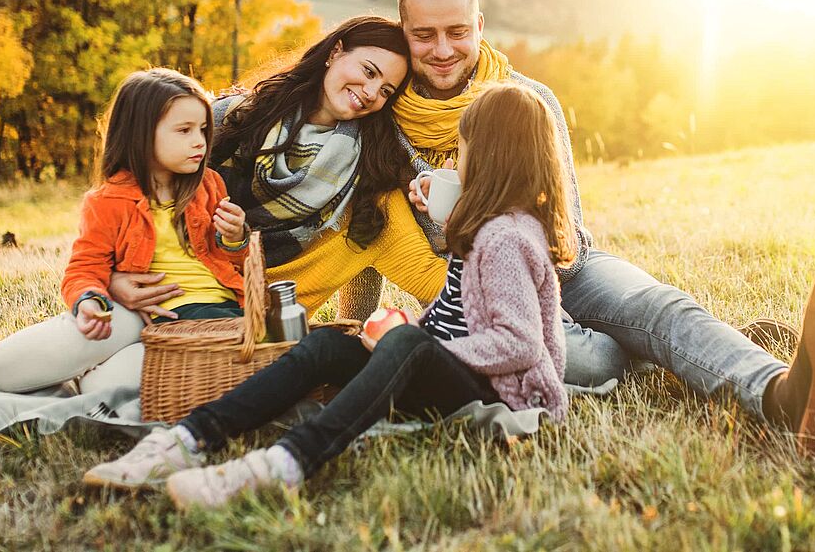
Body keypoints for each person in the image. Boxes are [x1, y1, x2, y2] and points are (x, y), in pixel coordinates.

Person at [394, 0, 815, 455]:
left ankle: (784, 394)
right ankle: (690, 349)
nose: (442, 50)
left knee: (659, 306)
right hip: (485, 302)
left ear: (478, 26)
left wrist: (487, 222)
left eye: (456, 31)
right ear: (404, 33)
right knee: (597, 361)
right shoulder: (387, 125)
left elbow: (565, 226)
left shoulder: (531, 100)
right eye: (424, 35)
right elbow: (367, 236)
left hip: (568, 267)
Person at [83, 84, 574, 504]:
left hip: (508, 398)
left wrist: (416, 347)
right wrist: (411, 332)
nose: (456, 159)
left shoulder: (506, 238)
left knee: (403, 346)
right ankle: (187, 439)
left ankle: (284, 463)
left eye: (462, 148)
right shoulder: (487, 227)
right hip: (458, 372)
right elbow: (458, 314)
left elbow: (519, 344)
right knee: (323, 346)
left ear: (489, 156)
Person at [0, 69, 250, 414]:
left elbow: (228, 262)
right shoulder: (109, 200)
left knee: (98, 391)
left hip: (204, 318)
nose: (199, 141)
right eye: (183, 131)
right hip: (141, 317)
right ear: (139, 133)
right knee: (93, 330)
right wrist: (89, 301)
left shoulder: (208, 186)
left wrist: (235, 239)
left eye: (202, 129)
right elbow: (85, 267)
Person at [103, 16, 448, 323]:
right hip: (161, 292)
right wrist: (111, 276)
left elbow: (433, 278)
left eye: (386, 90)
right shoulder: (236, 117)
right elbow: (129, 189)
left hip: (247, 337)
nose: (371, 92)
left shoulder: (371, 194)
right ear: (335, 52)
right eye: (368, 71)